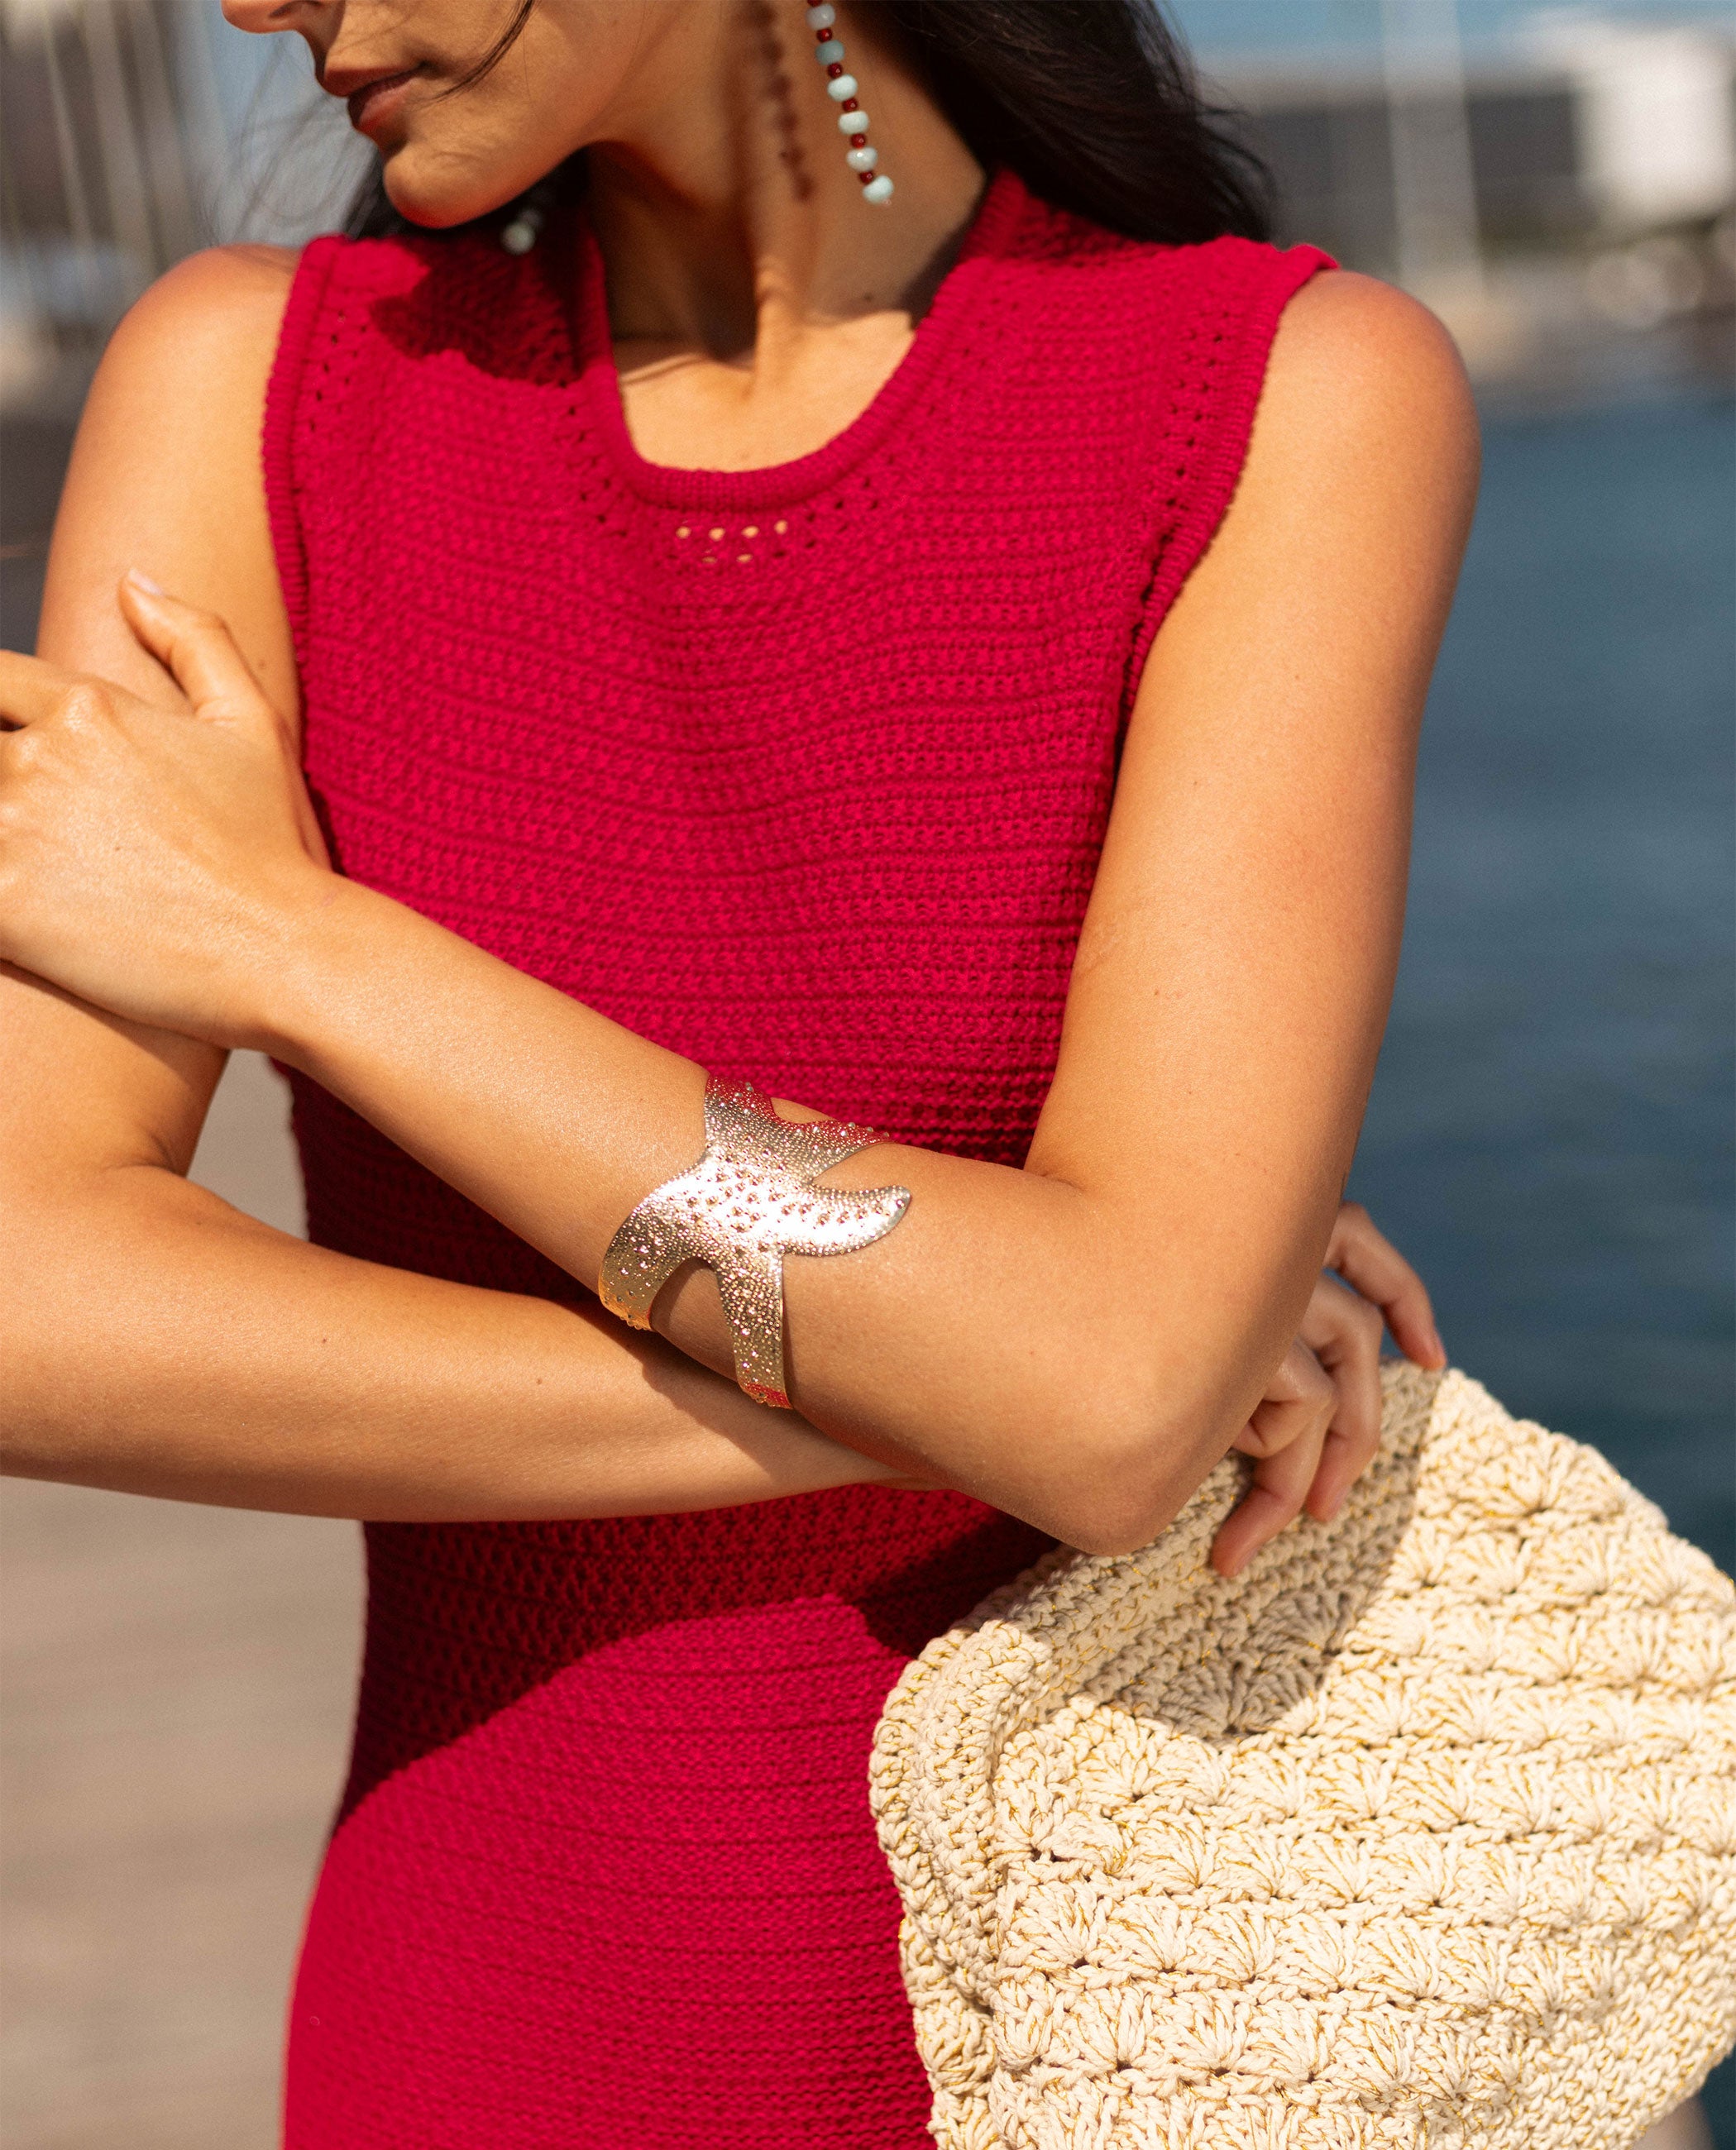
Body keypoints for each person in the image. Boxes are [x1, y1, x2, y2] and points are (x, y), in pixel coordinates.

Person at [0, 2, 1708, 2146]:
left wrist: (302, 948)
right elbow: (34, 1302)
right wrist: (990, 1362)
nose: (260, 4)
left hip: (1166, 2049)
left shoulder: (1275, 394)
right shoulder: (250, 389)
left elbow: (1110, 1392)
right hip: (508, 2028)